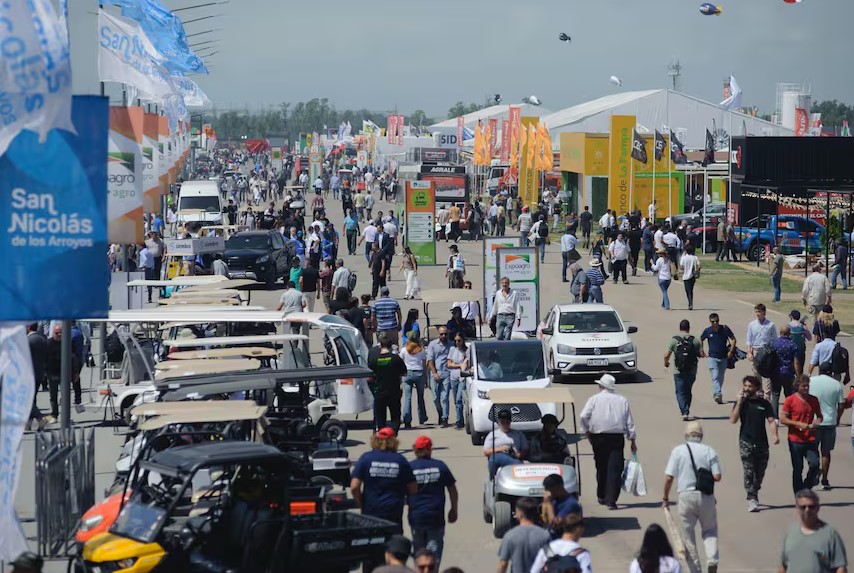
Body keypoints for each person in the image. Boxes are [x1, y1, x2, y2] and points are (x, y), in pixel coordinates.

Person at [662, 421, 722, 573]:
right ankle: (712, 561)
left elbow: (669, 477)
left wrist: (665, 498)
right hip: (706, 496)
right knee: (710, 531)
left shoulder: (678, 451)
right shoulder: (709, 451)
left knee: (688, 537)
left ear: (686, 436)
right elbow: (717, 476)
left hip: (685, 496)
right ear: (701, 436)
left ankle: (695, 569)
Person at [579, 374, 637, 509]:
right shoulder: (622, 400)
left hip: (598, 437)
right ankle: (611, 500)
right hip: (616, 438)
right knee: (615, 469)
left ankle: (601, 495)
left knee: (601, 466)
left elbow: (583, 416)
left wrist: (587, 431)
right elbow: (630, 422)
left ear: (601, 386)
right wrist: (632, 439)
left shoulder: (594, 399)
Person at [729, 375, 779, 512]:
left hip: (762, 442)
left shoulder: (764, 404)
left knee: (760, 471)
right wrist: (739, 402)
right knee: (748, 470)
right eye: (745, 385)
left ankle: (755, 490)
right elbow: (733, 420)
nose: (747, 388)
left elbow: (771, 420)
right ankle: (752, 498)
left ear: (757, 388)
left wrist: (775, 435)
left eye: (750, 386)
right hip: (746, 441)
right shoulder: (742, 402)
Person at [407, 436, 458, 566]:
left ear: (415, 450)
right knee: (433, 556)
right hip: (435, 518)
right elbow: (452, 490)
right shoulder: (440, 466)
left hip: (416, 518)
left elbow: (401, 491)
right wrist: (454, 509)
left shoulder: (409, 467)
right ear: (430, 449)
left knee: (419, 555)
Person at [779, 489, 848, 573]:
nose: (807, 510)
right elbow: (783, 565)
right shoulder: (791, 533)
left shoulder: (830, 534)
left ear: (818, 508)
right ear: (797, 508)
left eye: (811, 507)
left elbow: (840, 568)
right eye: (803, 507)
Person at [780, 375, 823, 494]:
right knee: (798, 468)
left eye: (807, 386)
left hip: (810, 439)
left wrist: (817, 421)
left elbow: (819, 415)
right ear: (797, 386)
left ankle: (806, 486)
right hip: (795, 440)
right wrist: (797, 424)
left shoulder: (813, 399)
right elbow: (783, 419)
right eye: (803, 386)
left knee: (815, 464)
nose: (806, 388)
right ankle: (798, 495)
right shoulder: (790, 400)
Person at [808, 363, 844, 491]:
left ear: (819, 370)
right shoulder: (836, 384)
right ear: (831, 372)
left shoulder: (811, 382)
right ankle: (825, 480)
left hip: (814, 422)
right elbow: (840, 405)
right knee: (826, 452)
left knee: (812, 450)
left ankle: (814, 470)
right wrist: (837, 419)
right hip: (829, 422)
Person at [496, 497, 551, 573]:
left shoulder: (510, 536)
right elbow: (550, 561)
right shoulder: (544, 535)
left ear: (520, 514)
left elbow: (503, 563)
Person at [665, 319, 705, 421]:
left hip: (678, 371)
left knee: (680, 392)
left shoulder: (674, 340)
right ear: (688, 328)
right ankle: (686, 409)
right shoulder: (695, 340)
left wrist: (666, 363)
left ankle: (684, 412)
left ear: (680, 328)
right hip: (691, 370)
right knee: (688, 391)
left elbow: (666, 355)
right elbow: (702, 354)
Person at [368, 335, 408, 432]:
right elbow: (404, 372)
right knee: (395, 418)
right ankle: (392, 437)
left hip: (379, 392)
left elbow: (369, 378)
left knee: (380, 419)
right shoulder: (396, 359)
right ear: (391, 347)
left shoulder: (374, 360)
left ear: (380, 346)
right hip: (394, 392)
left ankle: (382, 438)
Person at [700, 313, 736, 404]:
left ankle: (717, 392)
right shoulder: (707, 331)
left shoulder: (724, 329)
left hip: (724, 357)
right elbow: (701, 339)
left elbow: (733, 339)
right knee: (715, 376)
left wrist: (731, 351)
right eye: (713, 322)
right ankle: (718, 394)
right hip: (712, 357)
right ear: (710, 322)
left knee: (720, 377)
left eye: (717, 321)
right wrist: (701, 350)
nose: (715, 323)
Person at [483, 409, 527, 477]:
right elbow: (486, 452)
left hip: (513, 456)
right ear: (498, 422)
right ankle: (493, 478)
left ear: (510, 422)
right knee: (494, 458)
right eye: (502, 422)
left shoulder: (518, 434)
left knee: (516, 461)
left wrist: (519, 454)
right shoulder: (493, 434)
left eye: (507, 422)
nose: (505, 424)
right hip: (498, 456)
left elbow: (525, 450)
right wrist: (500, 449)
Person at [746, 303, 778, 399]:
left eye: (759, 311)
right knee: (756, 373)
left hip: (767, 351)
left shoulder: (770, 325)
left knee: (767, 374)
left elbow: (774, 339)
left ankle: (767, 395)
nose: (757, 314)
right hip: (756, 350)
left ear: (764, 312)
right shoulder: (752, 325)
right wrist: (749, 352)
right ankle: (759, 393)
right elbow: (749, 340)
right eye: (756, 311)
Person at [770, 325, 801, 419]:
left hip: (775, 373)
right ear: (789, 333)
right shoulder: (792, 345)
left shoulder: (774, 344)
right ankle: (788, 415)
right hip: (788, 373)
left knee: (775, 395)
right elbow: (796, 362)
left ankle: (774, 417)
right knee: (789, 396)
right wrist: (798, 376)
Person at [426, 327, 452, 428]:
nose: (444, 336)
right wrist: (434, 373)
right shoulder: (432, 345)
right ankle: (440, 413)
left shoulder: (451, 345)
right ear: (438, 335)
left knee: (444, 397)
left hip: (447, 374)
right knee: (435, 397)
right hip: (435, 374)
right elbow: (429, 360)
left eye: (445, 334)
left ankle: (445, 418)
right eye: (442, 334)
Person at [400, 334, 427, 429]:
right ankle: (422, 417)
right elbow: (424, 365)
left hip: (407, 373)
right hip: (418, 373)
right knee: (420, 397)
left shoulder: (404, 350)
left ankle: (407, 420)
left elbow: (401, 363)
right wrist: (426, 378)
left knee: (407, 398)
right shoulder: (421, 350)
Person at [26, 323, 50, 430]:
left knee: (27, 400)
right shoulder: (42, 339)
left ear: (28, 327)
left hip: (28, 375)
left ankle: (40, 419)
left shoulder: (28, 341)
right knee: (31, 399)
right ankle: (29, 423)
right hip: (39, 373)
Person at [788, 310, 811, 377]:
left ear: (791, 316)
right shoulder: (803, 327)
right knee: (800, 371)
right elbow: (809, 338)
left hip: (791, 351)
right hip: (801, 351)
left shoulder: (788, 326)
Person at [680, 246, 701, 311]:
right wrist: (697, 270)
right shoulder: (695, 258)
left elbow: (681, 267)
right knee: (691, 290)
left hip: (686, 276)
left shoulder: (683, 258)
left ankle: (690, 303)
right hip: (693, 276)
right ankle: (690, 302)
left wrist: (685, 268)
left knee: (687, 291)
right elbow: (699, 266)